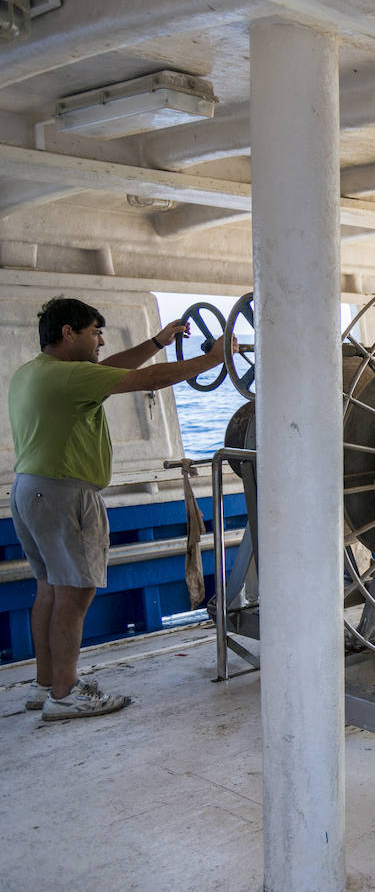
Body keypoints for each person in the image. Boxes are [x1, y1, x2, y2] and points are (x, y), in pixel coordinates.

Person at [8, 297, 236, 721]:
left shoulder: (35, 374)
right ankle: (66, 693)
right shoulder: (69, 377)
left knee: (50, 589)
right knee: (76, 593)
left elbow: (113, 367)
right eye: (95, 332)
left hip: (30, 491)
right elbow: (147, 379)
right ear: (68, 333)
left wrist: (156, 340)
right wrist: (213, 360)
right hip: (64, 493)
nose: (100, 341)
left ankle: (45, 686)